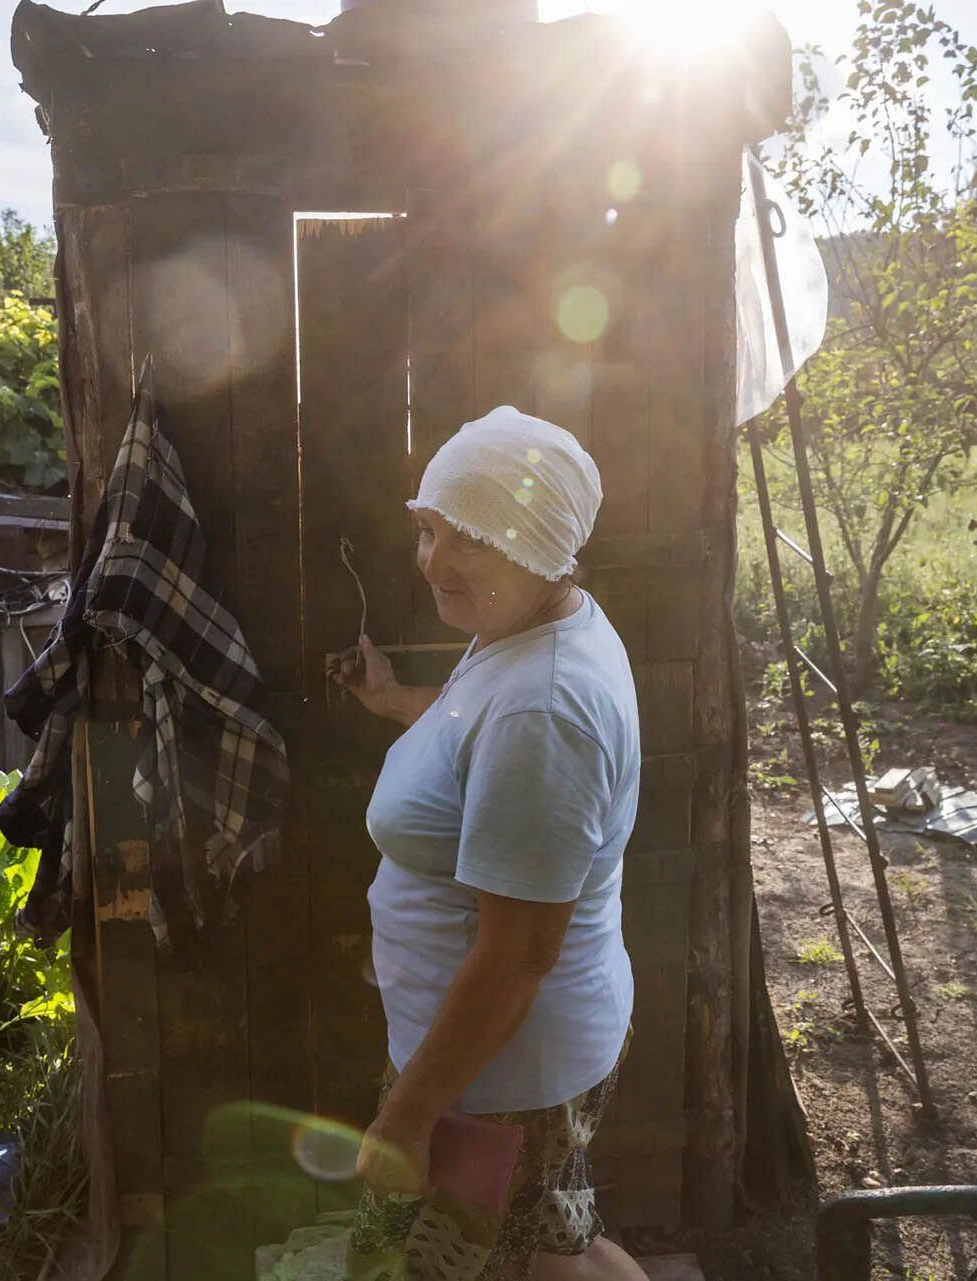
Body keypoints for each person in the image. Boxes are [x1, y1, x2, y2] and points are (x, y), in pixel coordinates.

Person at [330, 406, 646, 1281]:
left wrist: (407, 1116)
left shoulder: (544, 708)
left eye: (467, 536)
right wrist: (396, 702)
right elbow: (477, 742)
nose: (433, 558)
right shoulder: (532, 625)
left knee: (513, 1268)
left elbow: (516, 957)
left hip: (503, 1076)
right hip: (507, 1059)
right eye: (428, 529)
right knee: (550, 1251)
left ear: (537, 542)